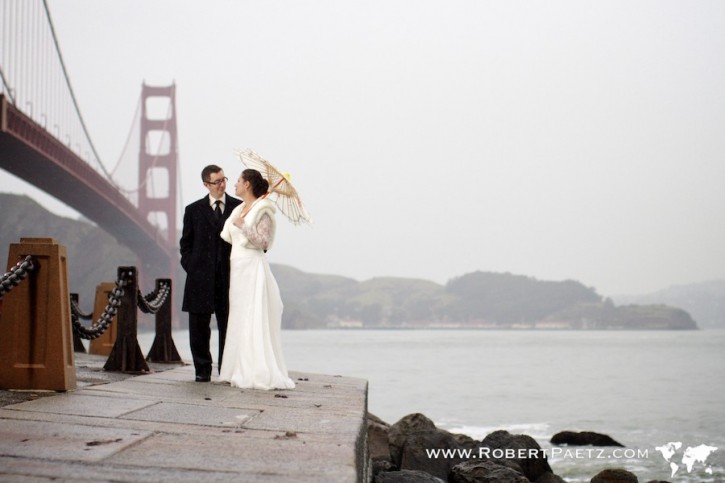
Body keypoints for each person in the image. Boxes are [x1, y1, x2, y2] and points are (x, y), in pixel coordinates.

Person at [219, 168, 295, 390]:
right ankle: (235, 368)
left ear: (248, 185)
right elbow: (227, 236)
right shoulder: (240, 209)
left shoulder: (264, 210)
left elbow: (263, 242)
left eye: (238, 180)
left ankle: (254, 370)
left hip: (252, 267)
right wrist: (238, 221)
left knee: (253, 314)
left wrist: (245, 226)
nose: (235, 184)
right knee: (239, 315)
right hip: (238, 267)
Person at [180, 165, 242, 382]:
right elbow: (185, 245)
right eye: (216, 182)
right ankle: (202, 371)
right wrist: (193, 267)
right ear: (206, 184)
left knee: (229, 327)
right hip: (199, 279)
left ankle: (226, 371)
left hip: (229, 279)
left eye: (224, 179)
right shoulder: (193, 210)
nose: (222, 184)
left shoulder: (239, 207)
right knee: (198, 329)